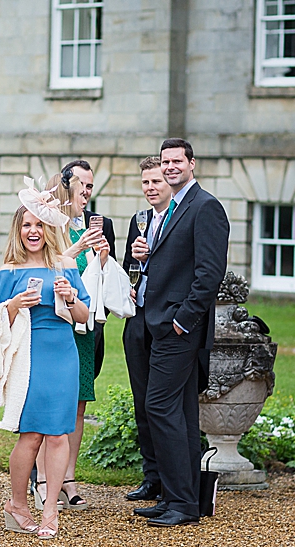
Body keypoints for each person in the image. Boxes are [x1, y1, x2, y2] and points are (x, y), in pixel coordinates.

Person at [130, 138, 229, 527]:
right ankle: (183, 498)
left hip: (179, 328)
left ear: (192, 164)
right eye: (166, 161)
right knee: (183, 413)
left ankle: (182, 505)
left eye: (177, 161)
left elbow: (209, 274)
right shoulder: (171, 208)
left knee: (159, 406)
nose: (170, 167)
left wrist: (182, 319)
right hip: (160, 323)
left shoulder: (205, 207)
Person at [0, 186, 90, 540]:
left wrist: (70, 296)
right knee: (30, 436)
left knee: (59, 435)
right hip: (28, 357)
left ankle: (49, 511)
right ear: (18, 230)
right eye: (26, 225)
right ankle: (17, 504)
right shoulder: (9, 271)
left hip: (63, 354)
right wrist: (15, 304)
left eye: (39, 225)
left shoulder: (65, 264)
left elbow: (84, 315)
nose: (33, 231)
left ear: (49, 229)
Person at [32, 171, 109, 511]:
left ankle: (68, 477)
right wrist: (76, 249)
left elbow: (95, 280)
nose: (87, 193)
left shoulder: (89, 226)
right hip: (56, 326)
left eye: (91, 187)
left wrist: (103, 258)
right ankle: (43, 480)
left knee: (78, 403)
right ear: (64, 188)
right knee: (48, 403)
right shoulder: (51, 226)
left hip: (84, 323)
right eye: (82, 186)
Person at [122, 157, 171, 502]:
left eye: (156, 181)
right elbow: (128, 267)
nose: (150, 188)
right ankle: (151, 475)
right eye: (145, 183)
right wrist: (134, 258)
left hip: (167, 319)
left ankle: (174, 478)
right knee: (142, 402)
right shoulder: (139, 220)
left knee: (164, 403)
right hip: (137, 317)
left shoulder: (181, 217)